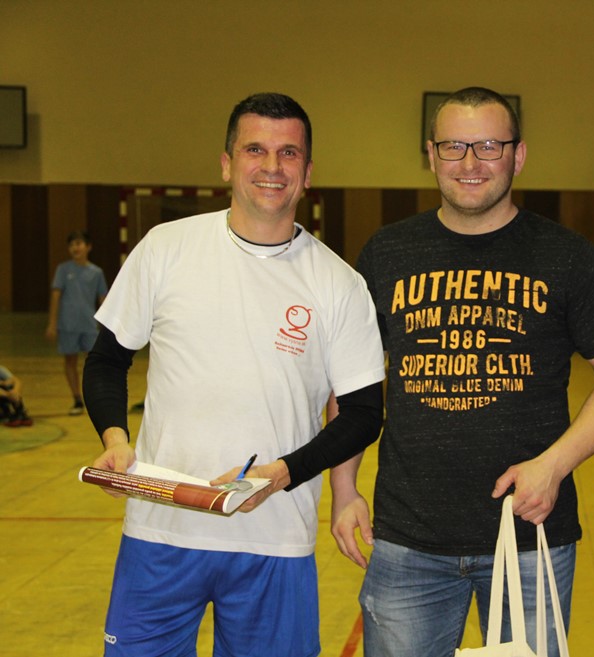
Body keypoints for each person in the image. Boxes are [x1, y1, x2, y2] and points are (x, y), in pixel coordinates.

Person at [81, 92, 386, 657]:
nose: (272, 166)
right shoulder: (166, 249)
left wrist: (282, 474)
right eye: (255, 150)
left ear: (308, 173)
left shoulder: (339, 283)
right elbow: (107, 359)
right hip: (160, 531)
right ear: (226, 164)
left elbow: (363, 414)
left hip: (275, 538)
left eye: (289, 153)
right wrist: (116, 439)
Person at [332, 87, 594, 657]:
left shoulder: (566, 256)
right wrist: (344, 490)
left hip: (530, 533)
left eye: (490, 146)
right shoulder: (388, 253)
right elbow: (352, 383)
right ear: (431, 154)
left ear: (519, 155)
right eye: (454, 146)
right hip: (407, 540)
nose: (470, 162)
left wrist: (555, 465)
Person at [45, 230, 108, 415]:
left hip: (89, 325)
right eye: (72, 244)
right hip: (68, 325)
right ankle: (77, 399)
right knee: (70, 361)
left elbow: (103, 298)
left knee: (94, 362)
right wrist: (52, 323)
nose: (75, 247)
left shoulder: (96, 272)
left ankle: (95, 398)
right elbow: (56, 296)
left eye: (79, 243)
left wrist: (108, 325)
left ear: (88, 247)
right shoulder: (63, 270)